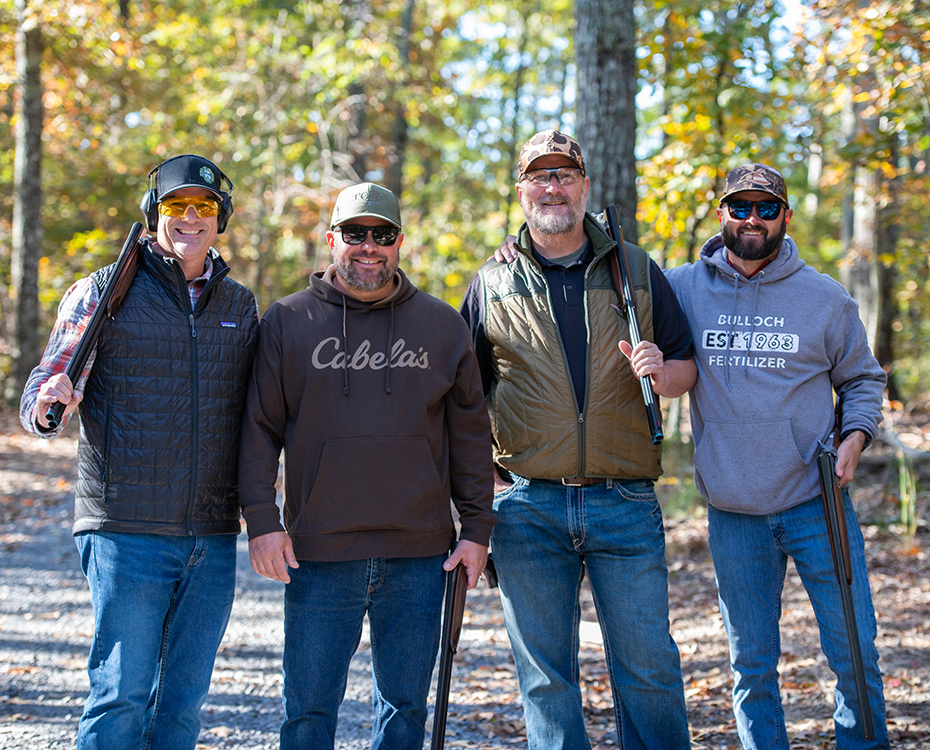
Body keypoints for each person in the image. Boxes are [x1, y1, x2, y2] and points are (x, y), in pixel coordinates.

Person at [237, 182, 495, 750]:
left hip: (421, 557)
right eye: (356, 234)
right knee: (307, 711)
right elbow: (258, 428)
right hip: (321, 554)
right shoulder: (287, 321)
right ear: (333, 239)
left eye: (383, 235)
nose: (369, 246)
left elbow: (472, 435)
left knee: (404, 710)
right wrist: (261, 518)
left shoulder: (443, 325)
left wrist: (477, 530)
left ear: (400, 242)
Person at [461, 129, 695, 749]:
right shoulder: (491, 282)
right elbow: (463, 399)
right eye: (540, 175)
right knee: (545, 680)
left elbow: (686, 367)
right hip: (528, 507)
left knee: (649, 669)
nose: (553, 186)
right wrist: (483, 483)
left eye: (565, 174)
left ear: (585, 186)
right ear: (521, 192)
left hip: (625, 501)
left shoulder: (637, 269)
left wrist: (659, 370)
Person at [19, 154, 259, 749]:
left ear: (220, 218)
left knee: (181, 707)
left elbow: (265, 411)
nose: (190, 217)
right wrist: (51, 403)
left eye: (204, 207)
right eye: (177, 205)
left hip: (211, 533)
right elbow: (43, 392)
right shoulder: (101, 291)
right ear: (156, 212)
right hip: (125, 530)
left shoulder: (240, 305)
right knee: (120, 697)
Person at [663, 163, 890, 749]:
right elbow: (607, 279)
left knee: (855, 656)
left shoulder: (825, 299)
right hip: (734, 513)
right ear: (723, 215)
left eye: (767, 208)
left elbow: (864, 379)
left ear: (786, 216)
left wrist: (856, 437)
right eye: (741, 207)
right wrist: (522, 247)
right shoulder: (683, 286)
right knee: (751, 668)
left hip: (818, 503)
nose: (753, 219)